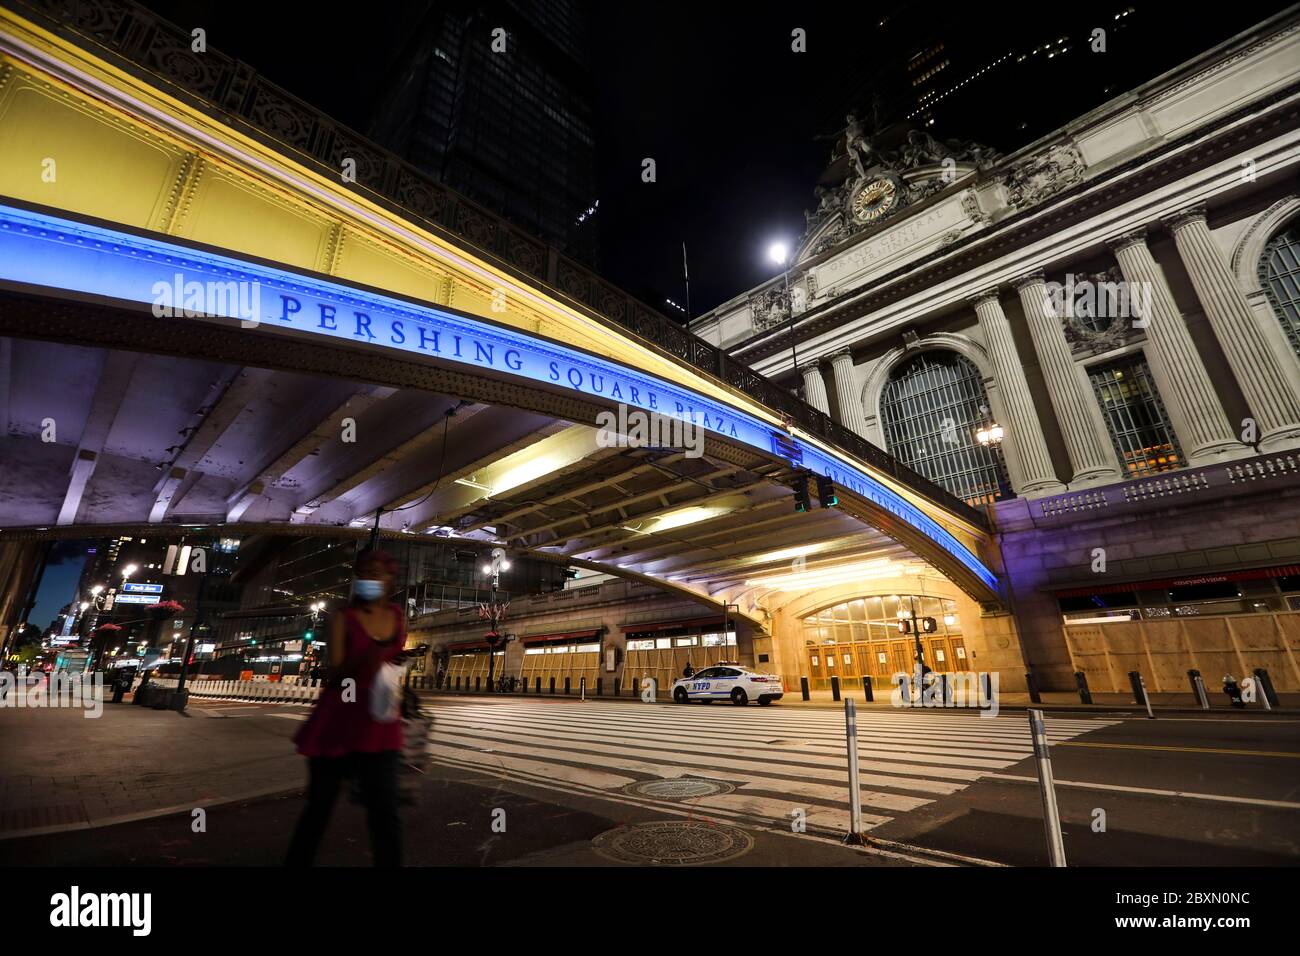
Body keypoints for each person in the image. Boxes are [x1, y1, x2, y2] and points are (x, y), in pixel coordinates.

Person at [286, 549, 408, 867]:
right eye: (364, 571)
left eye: (378, 571)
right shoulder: (344, 616)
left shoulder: (397, 616)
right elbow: (336, 672)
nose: (370, 577)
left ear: (390, 579)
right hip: (339, 719)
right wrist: (365, 660)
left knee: (385, 810)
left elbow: (393, 663)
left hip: (379, 721)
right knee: (319, 808)